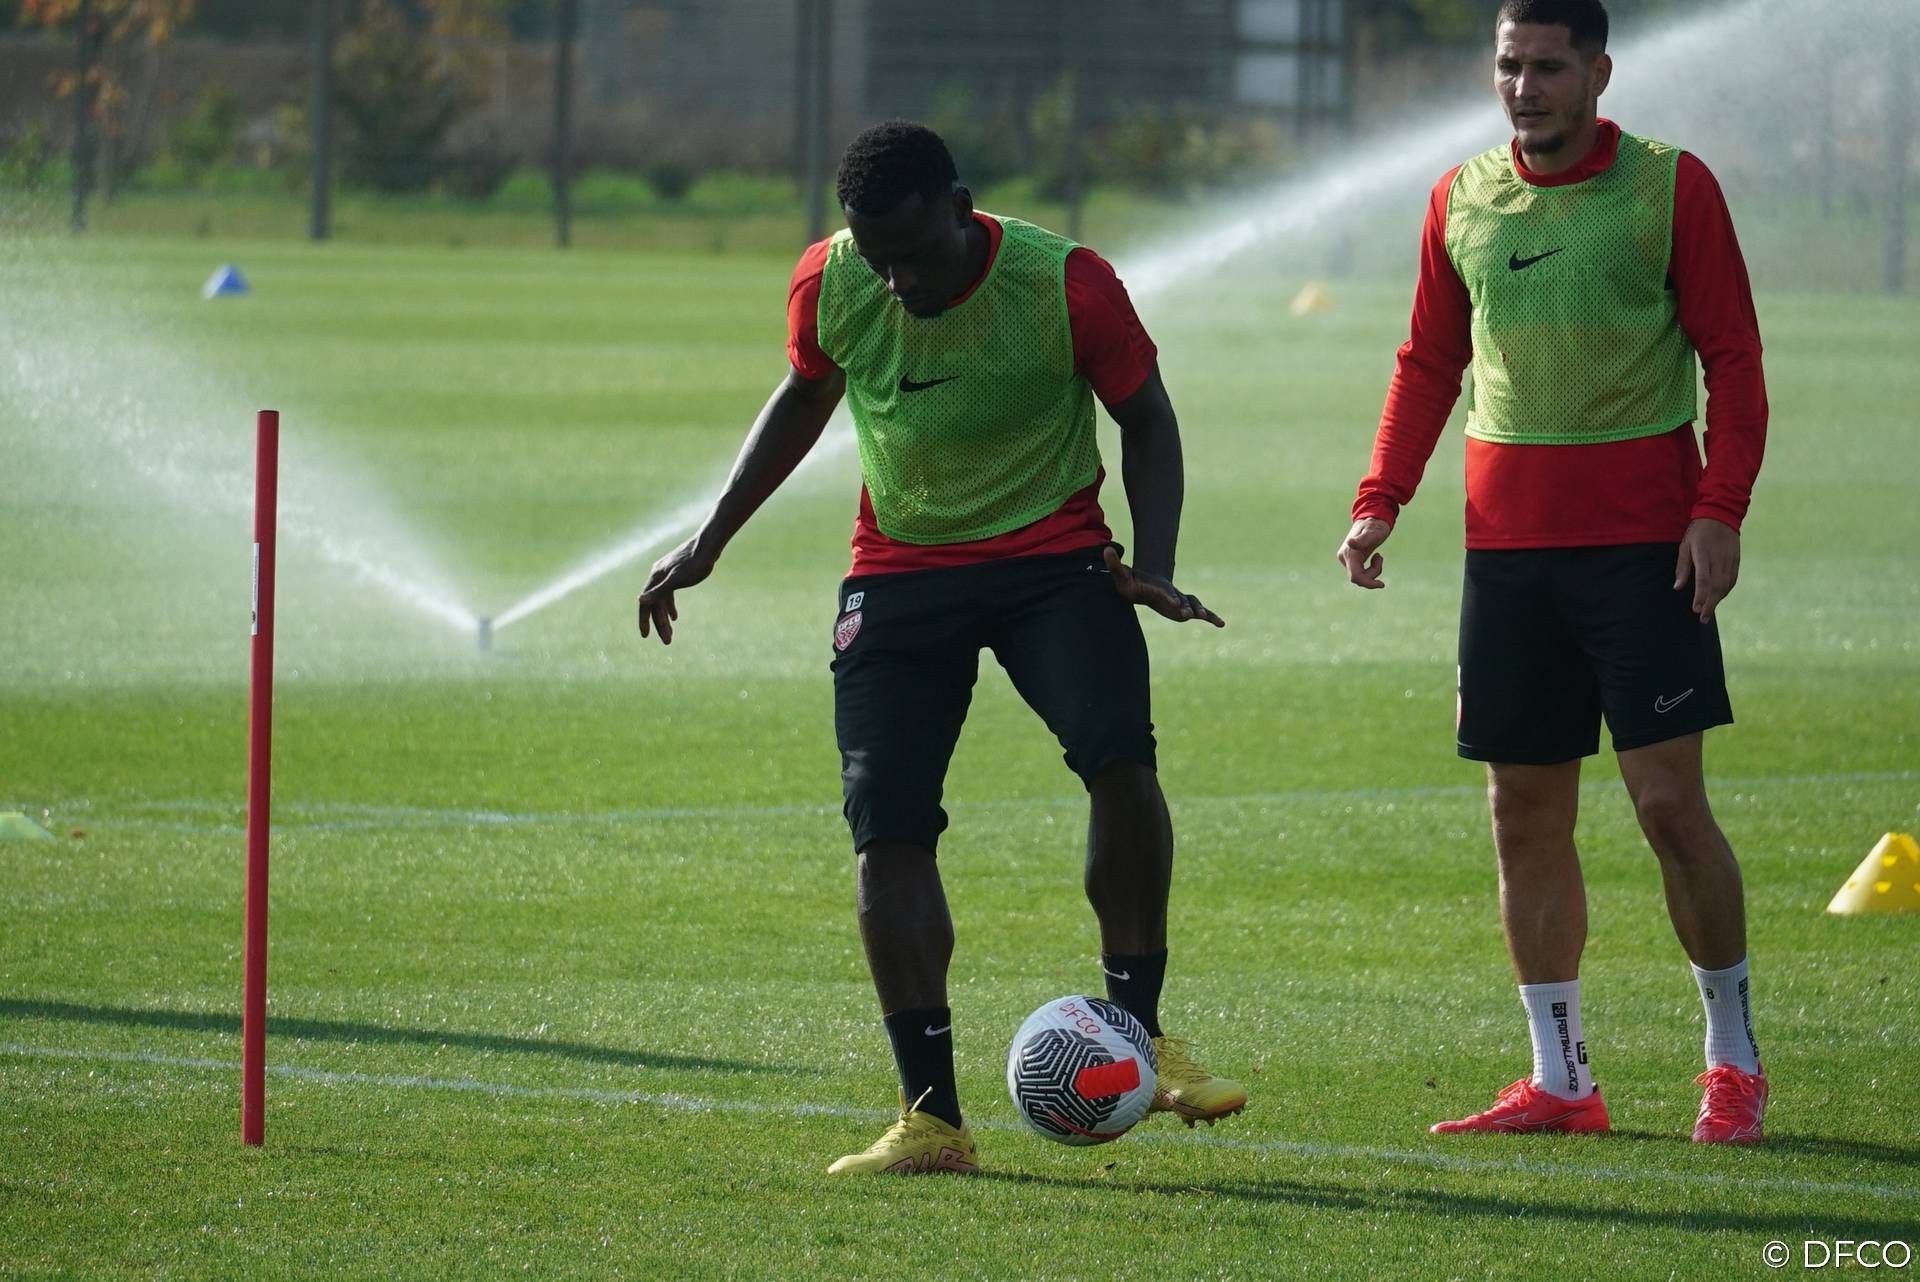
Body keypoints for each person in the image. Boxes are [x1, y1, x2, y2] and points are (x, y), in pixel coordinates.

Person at [638, 121, 1247, 1174]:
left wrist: (1153, 561)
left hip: (1055, 563)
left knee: (1119, 760)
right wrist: (710, 539)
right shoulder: (831, 281)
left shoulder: (1066, 284)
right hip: (901, 573)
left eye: (918, 255)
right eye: (880, 259)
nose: (900, 281)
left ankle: (1144, 1038)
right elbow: (805, 394)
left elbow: (1147, 419)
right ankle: (931, 1119)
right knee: (886, 824)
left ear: (962, 210)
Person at [1336, 0, 1770, 1142]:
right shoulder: (1462, 198)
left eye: (1546, 67)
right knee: (1522, 812)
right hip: (1508, 555)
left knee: (1669, 806)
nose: (1523, 87)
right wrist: (1381, 499)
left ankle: (1732, 1062)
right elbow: (1428, 362)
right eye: (1507, 66)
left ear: (1598, 73)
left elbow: (1733, 358)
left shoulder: (1672, 187)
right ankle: (1561, 1078)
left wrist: (1718, 510)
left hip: (1645, 551)